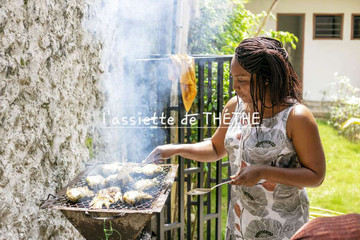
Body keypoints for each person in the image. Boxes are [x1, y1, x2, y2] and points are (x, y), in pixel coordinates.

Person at [144, 37, 326, 240]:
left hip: (282, 226)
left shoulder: (296, 117)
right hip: (241, 221)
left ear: (267, 79)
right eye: (233, 78)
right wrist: (174, 149)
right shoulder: (235, 106)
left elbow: (316, 175)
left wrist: (263, 172)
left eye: (242, 81)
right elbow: (215, 148)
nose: (234, 87)